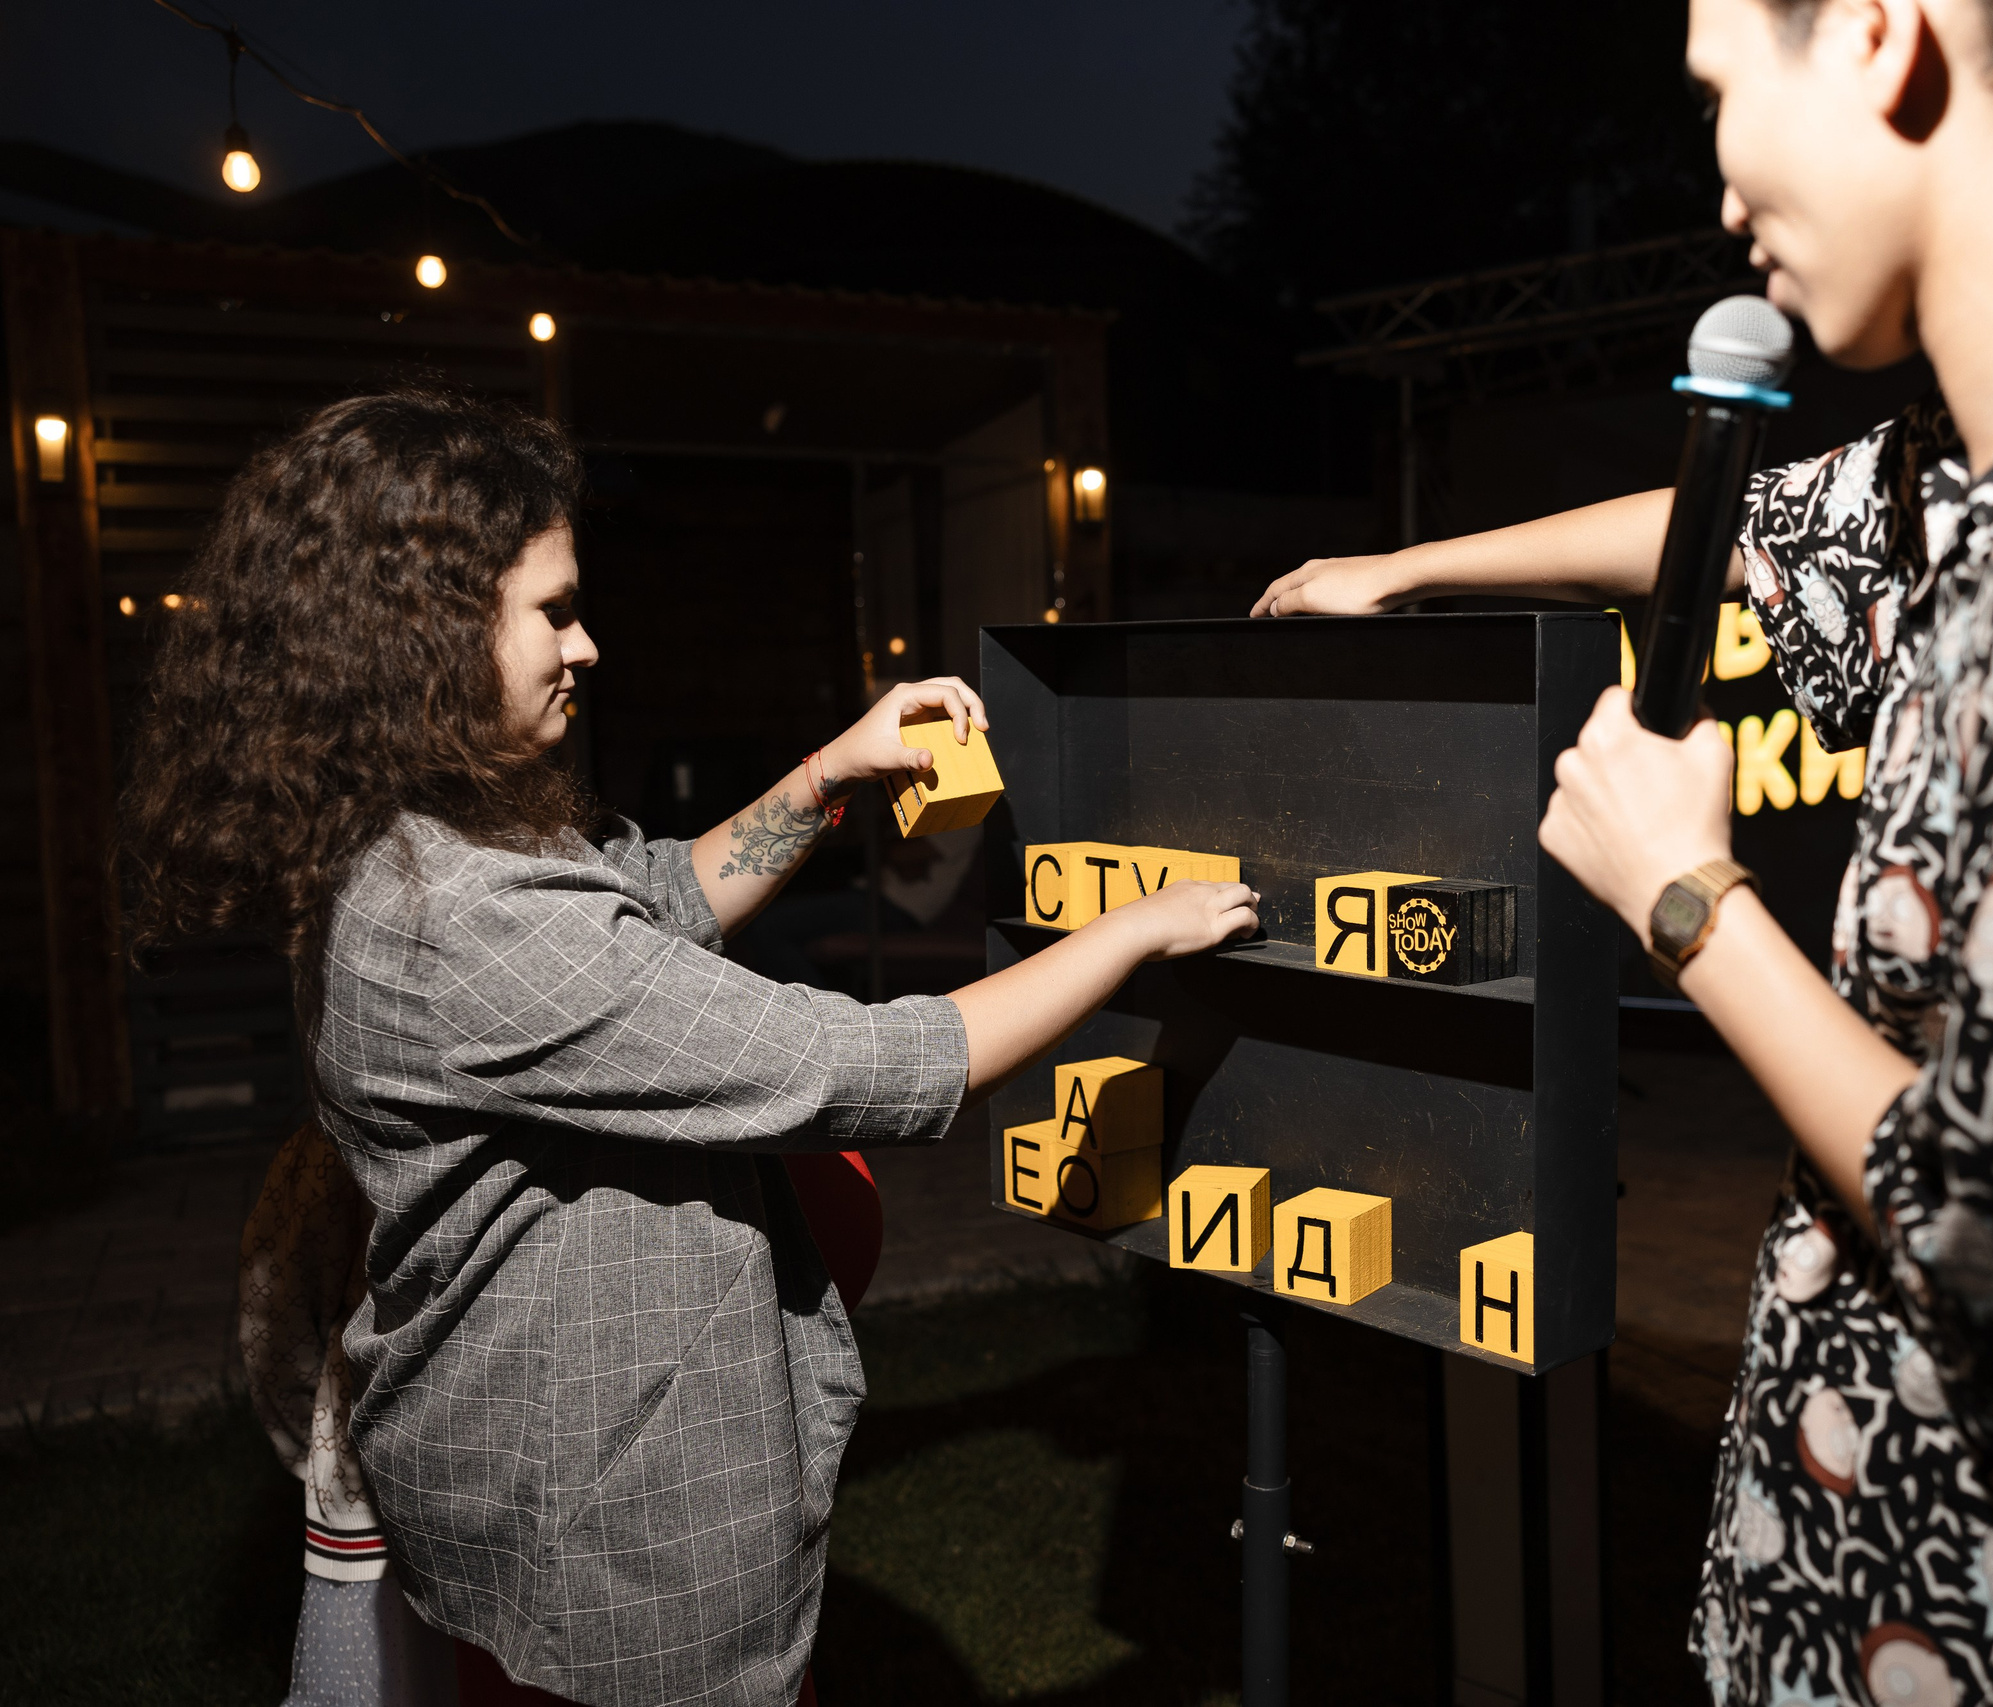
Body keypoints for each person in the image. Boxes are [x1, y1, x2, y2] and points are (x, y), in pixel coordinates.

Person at [1257, 0, 1993, 1701]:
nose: (1724, 194)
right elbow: (1727, 534)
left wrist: (1687, 897)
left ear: (1881, 32)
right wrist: (1414, 569)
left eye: (1724, 89)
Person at [127, 390, 1258, 1707]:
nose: (587, 643)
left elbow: (651, 898)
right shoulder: (455, 916)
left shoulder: (423, 838)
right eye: (552, 609)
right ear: (419, 636)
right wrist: (1130, 934)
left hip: (543, 1488)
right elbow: (865, 1067)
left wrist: (829, 774)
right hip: (617, 1547)